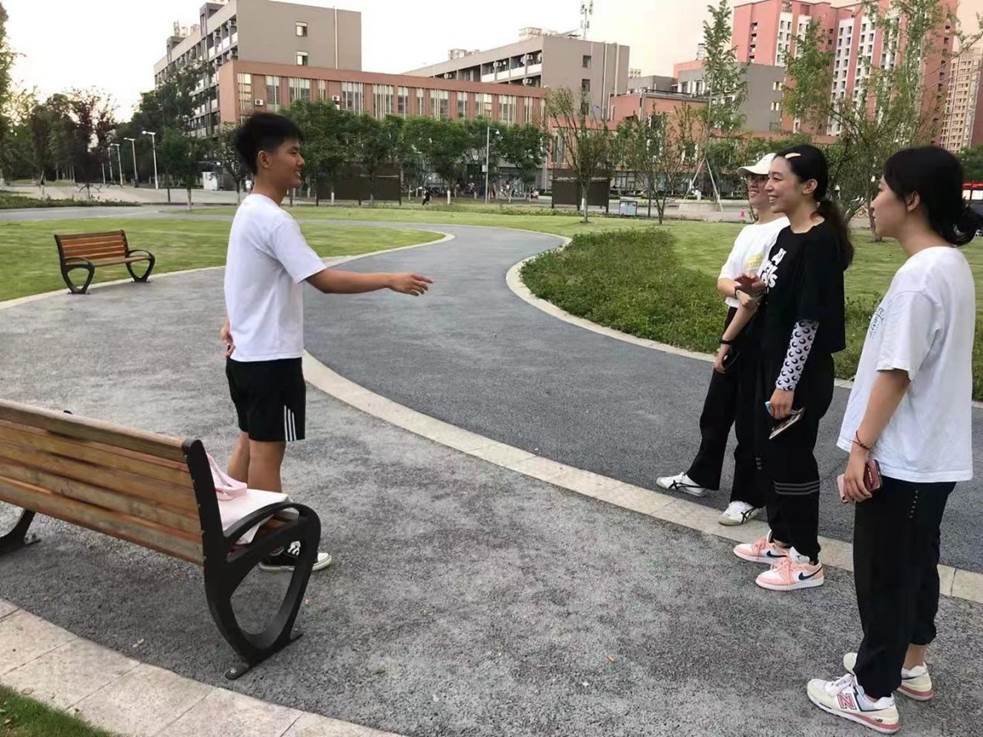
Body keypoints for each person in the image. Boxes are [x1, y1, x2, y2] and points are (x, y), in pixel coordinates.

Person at [806, 147, 978, 734]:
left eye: (881, 189)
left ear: (912, 200)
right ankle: (909, 664)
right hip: (932, 455)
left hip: (903, 456)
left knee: (884, 574)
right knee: (915, 564)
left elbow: (897, 371)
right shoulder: (949, 264)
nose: (872, 202)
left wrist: (861, 447)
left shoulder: (920, 276)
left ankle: (871, 691)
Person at [220, 112, 433, 572]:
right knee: (267, 455)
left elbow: (242, 278)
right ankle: (272, 546)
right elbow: (324, 280)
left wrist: (232, 320)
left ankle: (228, 531)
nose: (301, 160)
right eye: (292, 152)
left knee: (249, 442)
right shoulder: (274, 220)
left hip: (245, 360)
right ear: (265, 159)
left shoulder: (247, 211)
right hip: (271, 362)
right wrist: (389, 279)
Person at [721, 145, 852, 591]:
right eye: (767, 178)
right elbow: (780, 299)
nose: (768, 185)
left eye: (778, 178)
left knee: (793, 462)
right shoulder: (787, 236)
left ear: (809, 186)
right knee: (770, 456)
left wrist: (786, 384)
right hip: (770, 364)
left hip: (796, 377)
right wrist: (758, 290)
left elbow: (808, 321)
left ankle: (807, 558)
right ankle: (780, 540)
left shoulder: (819, 242)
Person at [657, 154, 788, 526]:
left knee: (749, 417)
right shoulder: (749, 231)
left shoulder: (783, 233)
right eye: (750, 178)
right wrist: (738, 295)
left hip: (759, 327)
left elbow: (761, 295)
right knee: (716, 408)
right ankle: (701, 475)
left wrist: (736, 318)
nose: (754, 184)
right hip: (737, 318)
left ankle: (748, 496)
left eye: (763, 178)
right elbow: (723, 281)